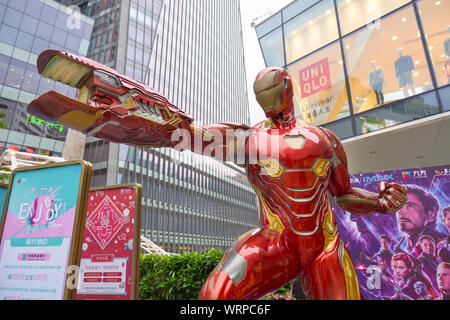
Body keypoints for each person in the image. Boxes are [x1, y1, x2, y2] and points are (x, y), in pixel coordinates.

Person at [27, 50, 408, 300]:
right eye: (259, 92)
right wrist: (115, 116)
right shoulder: (251, 139)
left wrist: (379, 202)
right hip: (278, 243)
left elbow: (342, 194)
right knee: (216, 294)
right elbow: (186, 136)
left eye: (269, 91)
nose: (265, 98)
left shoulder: (324, 139)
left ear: (285, 91)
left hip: (324, 247)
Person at [396, 185, 446, 257]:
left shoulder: (444, 246)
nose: (400, 212)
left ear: (432, 215)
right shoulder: (405, 247)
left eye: (409, 206)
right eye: (399, 206)